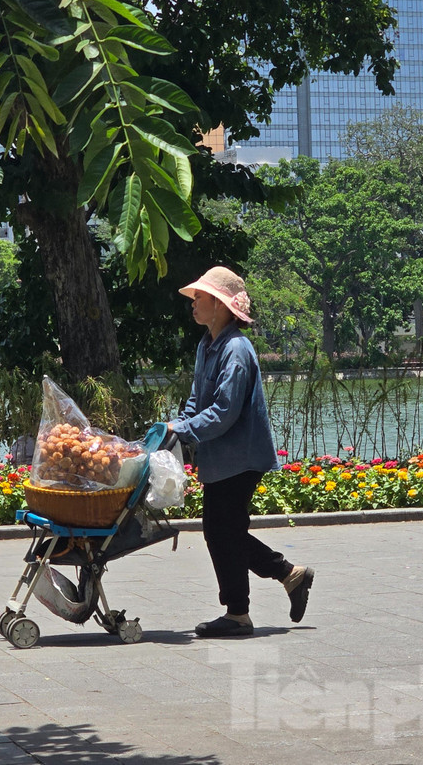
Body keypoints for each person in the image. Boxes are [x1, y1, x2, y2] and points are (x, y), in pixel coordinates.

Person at [167, 266, 314, 637]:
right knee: (222, 531)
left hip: (241, 457)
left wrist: (183, 429)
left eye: (200, 298)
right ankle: (287, 575)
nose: (194, 304)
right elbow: (198, 400)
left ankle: (239, 613)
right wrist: (176, 426)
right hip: (221, 458)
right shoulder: (207, 345)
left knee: (221, 531)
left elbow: (223, 411)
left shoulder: (235, 348)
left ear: (219, 305)